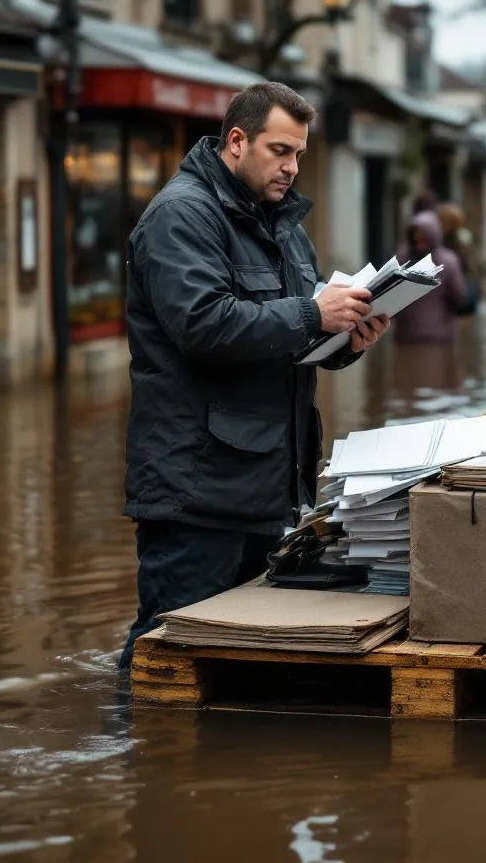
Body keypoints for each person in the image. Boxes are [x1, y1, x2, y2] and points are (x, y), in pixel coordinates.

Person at [119, 82, 390, 669]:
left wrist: (344, 339)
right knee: (167, 655)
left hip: (266, 486)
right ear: (236, 141)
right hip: (197, 493)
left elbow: (287, 339)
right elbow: (202, 324)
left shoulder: (283, 226)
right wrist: (313, 313)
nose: (292, 167)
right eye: (280, 151)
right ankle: (133, 751)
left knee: (239, 662)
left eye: (299, 155)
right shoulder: (180, 215)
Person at [393, 211, 467, 343]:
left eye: (423, 239)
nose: (420, 244)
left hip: (423, 337)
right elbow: (460, 298)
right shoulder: (449, 261)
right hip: (428, 336)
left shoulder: (401, 258)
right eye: (417, 239)